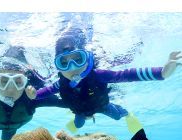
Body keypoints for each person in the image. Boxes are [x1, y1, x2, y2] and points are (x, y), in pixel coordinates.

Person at [26, 28, 182, 132]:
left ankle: (127, 114)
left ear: (87, 59)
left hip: (101, 106)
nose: (72, 67)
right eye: (64, 63)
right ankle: (81, 121)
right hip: (80, 111)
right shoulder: (60, 83)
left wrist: (161, 73)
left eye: (78, 59)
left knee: (116, 115)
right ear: (58, 67)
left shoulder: (98, 75)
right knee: (78, 125)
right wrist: (34, 95)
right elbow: (42, 93)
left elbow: (126, 74)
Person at [0, 48, 67, 140]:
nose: (10, 89)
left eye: (18, 82)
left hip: (11, 128)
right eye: (4, 81)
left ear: (26, 81)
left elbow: (66, 102)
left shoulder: (33, 96)